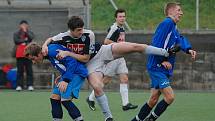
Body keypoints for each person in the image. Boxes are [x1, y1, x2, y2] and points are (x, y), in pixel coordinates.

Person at [42, 16, 175, 121]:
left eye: (82, 29)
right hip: (91, 64)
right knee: (97, 85)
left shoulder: (89, 34)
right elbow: (50, 40)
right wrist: (44, 45)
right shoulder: (63, 37)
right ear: (71, 30)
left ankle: (165, 52)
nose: (81, 32)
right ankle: (108, 117)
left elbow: (85, 57)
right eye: (78, 30)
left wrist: (68, 53)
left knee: (134, 47)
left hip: (101, 52)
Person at [131, 2, 197, 121]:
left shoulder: (173, 26)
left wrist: (188, 49)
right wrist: (162, 60)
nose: (181, 13)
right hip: (157, 66)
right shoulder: (167, 23)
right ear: (170, 12)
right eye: (179, 10)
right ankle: (150, 119)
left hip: (161, 67)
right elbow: (157, 43)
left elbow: (179, 39)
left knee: (153, 100)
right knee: (170, 97)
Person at [86, 9, 138, 111]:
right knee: (105, 80)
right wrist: (118, 47)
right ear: (116, 18)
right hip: (113, 57)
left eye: (124, 16)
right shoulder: (114, 28)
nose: (122, 18)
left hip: (120, 57)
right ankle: (90, 98)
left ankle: (125, 104)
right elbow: (106, 41)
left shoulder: (121, 28)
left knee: (124, 78)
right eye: (120, 17)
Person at [25, 42, 87, 121]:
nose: (33, 62)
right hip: (69, 74)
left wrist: (66, 80)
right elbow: (65, 63)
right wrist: (62, 75)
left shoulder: (52, 51)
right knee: (54, 98)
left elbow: (72, 62)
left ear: (39, 53)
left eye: (33, 59)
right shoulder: (48, 53)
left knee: (65, 100)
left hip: (77, 73)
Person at [13, 20, 34, 91]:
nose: (24, 26)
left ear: (27, 26)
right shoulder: (16, 33)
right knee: (20, 71)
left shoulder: (29, 32)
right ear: (20, 26)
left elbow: (31, 39)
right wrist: (25, 41)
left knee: (29, 70)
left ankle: (30, 85)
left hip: (28, 54)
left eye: (25, 25)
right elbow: (16, 41)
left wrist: (26, 32)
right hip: (19, 54)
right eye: (22, 25)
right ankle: (19, 85)